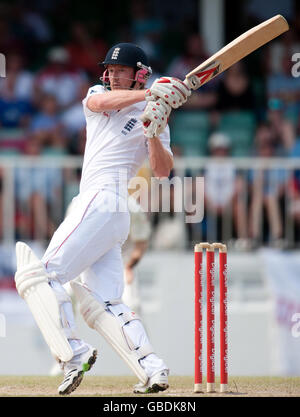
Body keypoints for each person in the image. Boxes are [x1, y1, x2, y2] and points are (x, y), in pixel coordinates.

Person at [14, 42, 191, 395]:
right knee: (104, 302)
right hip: (104, 209)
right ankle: (152, 369)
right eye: (109, 70)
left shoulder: (154, 114)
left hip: (106, 202)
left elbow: (160, 171)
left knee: (38, 276)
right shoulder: (101, 95)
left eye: (121, 70)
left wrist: (153, 131)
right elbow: (98, 102)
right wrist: (150, 96)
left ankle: (73, 354)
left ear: (139, 74)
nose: (111, 75)